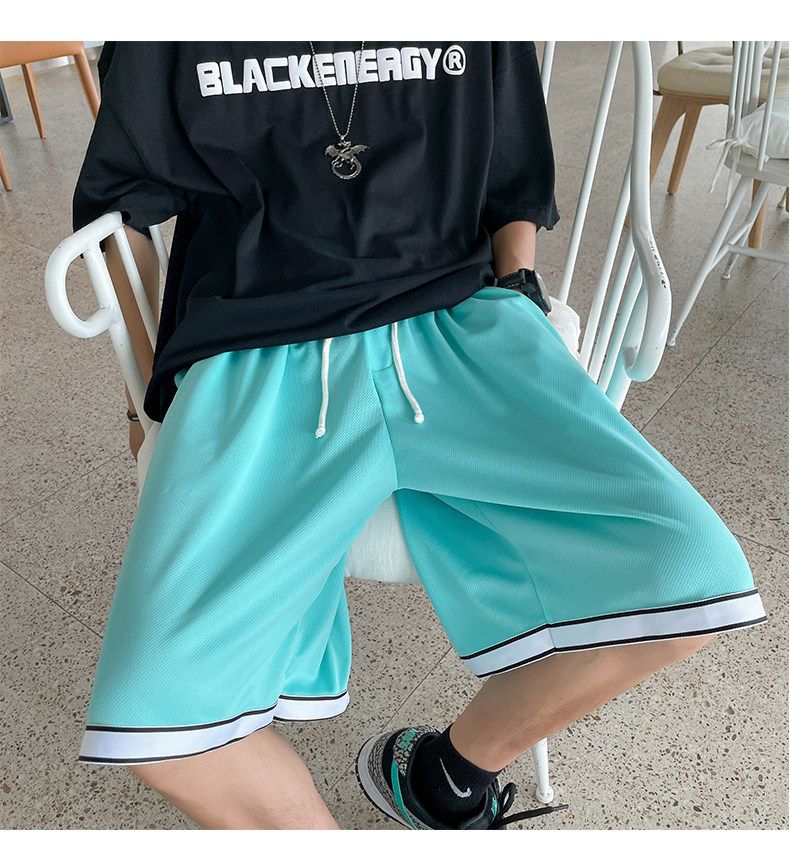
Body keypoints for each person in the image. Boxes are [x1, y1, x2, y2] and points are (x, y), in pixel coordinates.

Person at [71, 41, 766, 831]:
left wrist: (519, 295)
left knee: (697, 571)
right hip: (262, 344)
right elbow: (121, 207)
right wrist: (147, 402)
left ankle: (447, 774)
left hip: (455, 321)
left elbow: (511, 179)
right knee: (154, 719)